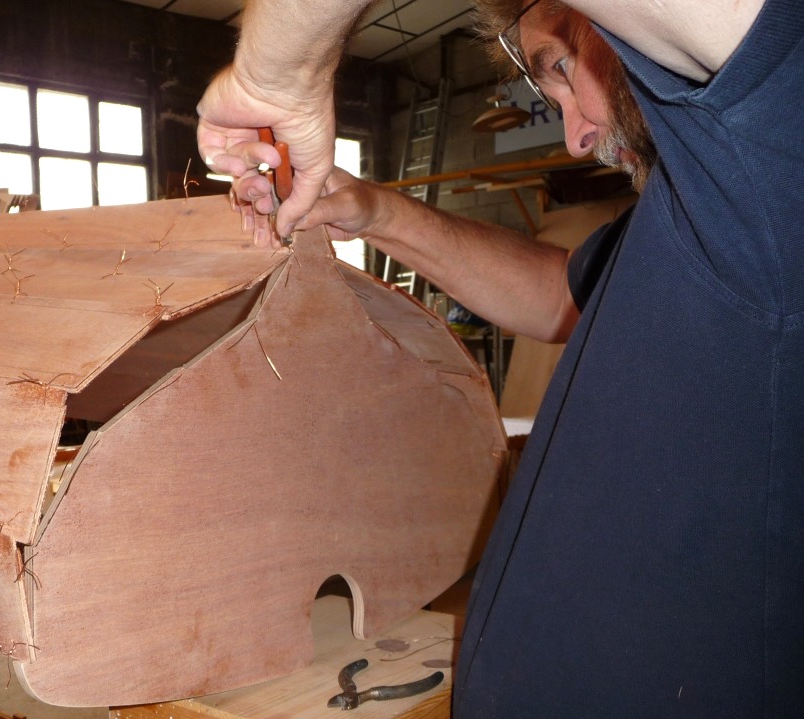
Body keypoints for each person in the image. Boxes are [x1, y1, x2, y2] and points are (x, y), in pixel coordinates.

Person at [198, 0, 804, 715]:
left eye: (560, 68)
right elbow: (557, 293)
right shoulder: (701, 219)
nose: (577, 137)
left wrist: (277, 76)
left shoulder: (777, 139)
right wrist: (371, 212)